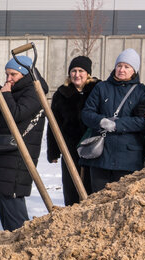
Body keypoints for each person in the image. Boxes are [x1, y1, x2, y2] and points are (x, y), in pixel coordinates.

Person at [0, 55, 47, 232]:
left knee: (13, 201)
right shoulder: (20, 90)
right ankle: (11, 240)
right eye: (7, 74)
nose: (8, 79)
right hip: (8, 151)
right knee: (5, 198)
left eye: (13, 74)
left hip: (19, 153)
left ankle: (22, 240)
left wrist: (5, 95)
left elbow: (17, 114)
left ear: (25, 74)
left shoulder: (34, 90)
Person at [80, 49, 145, 191]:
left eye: (126, 67)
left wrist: (117, 125)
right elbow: (87, 113)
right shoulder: (101, 87)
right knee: (97, 200)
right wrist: (101, 121)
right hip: (100, 156)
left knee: (120, 202)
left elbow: (143, 121)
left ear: (134, 70)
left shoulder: (141, 91)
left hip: (127, 159)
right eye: (119, 65)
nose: (121, 70)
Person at [46, 55, 97, 206]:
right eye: (73, 71)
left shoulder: (96, 90)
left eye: (81, 70)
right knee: (71, 188)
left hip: (92, 146)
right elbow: (53, 126)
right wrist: (53, 151)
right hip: (70, 148)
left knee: (91, 188)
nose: (77, 74)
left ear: (88, 73)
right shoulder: (62, 94)